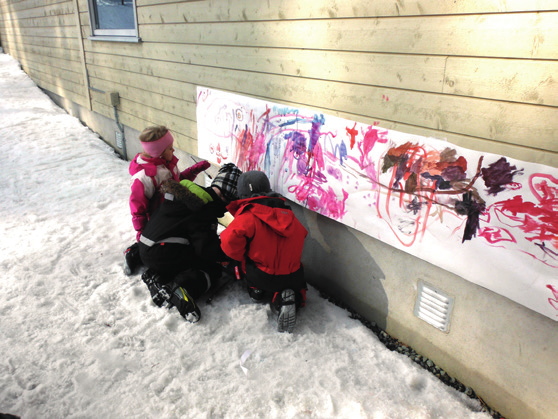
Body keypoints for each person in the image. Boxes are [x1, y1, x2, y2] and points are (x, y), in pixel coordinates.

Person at [138, 163, 242, 323]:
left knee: (184, 249)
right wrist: (230, 254)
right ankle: (183, 288)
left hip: (145, 246)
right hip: (161, 253)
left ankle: (157, 276)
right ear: (224, 197)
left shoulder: (186, 195)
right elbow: (206, 250)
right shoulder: (203, 209)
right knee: (212, 268)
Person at [220, 170, 308, 333]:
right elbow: (302, 234)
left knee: (245, 261)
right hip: (294, 276)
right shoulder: (288, 214)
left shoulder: (248, 215)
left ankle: (257, 291)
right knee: (282, 270)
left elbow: (228, 241)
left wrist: (240, 257)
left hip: (262, 276)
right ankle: (282, 298)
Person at [123, 125, 210, 276]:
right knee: (158, 249)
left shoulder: (167, 165)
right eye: (170, 148)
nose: (173, 150)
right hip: (156, 223)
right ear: (159, 153)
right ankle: (134, 253)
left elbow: (178, 183)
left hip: (170, 216)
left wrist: (194, 170)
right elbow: (138, 210)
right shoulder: (145, 177)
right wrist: (142, 237)